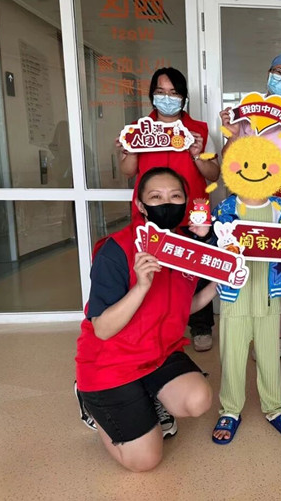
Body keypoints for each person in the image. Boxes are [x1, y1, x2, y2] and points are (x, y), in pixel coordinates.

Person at [74, 167, 214, 472]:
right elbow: (102, 328)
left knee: (198, 399)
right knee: (145, 461)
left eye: (175, 196)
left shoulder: (187, 248)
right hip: (110, 363)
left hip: (159, 353)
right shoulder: (116, 250)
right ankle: (89, 400)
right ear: (140, 205)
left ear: (186, 201)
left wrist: (220, 284)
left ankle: (150, 396)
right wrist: (141, 286)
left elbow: (183, 307)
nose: (167, 203)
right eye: (156, 197)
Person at [220, 53, 281, 358]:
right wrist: (231, 132)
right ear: (268, 73)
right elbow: (229, 159)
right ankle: (249, 329)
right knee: (249, 266)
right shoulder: (245, 113)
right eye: (278, 72)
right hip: (247, 203)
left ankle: (280, 333)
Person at [118, 67, 220, 354]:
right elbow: (127, 171)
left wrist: (198, 155)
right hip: (151, 213)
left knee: (196, 267)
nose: (167, 98)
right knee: (153, 268)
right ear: (151, 95)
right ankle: (153, 324)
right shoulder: (138, 130)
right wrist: (130, 150)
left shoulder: (199, 131)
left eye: (173, 93)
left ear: (184, 97)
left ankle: (200, 326)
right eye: (161, 92)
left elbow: (214, 174)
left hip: (192, 213)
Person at [211, 136, 281, 445]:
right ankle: (230, 409)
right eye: (246, 164)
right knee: (232, 355)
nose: (254, 171)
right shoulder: (225, 208)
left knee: (268, 354)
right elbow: (213, 246)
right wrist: (205, 231)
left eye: (263, 165)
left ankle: (274, 407)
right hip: (234, 295)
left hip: (268, 293)